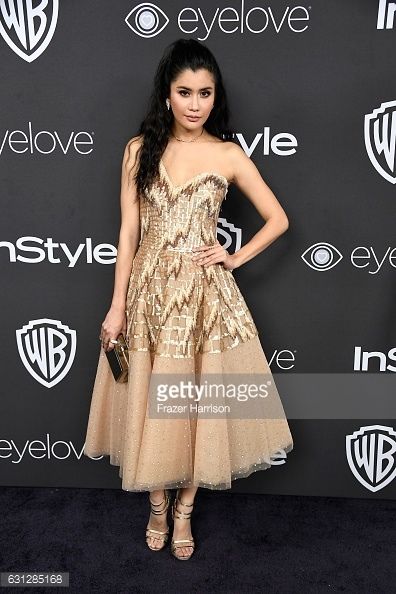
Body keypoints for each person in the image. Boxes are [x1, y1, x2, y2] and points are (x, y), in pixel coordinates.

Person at [83, 38, 293, 561]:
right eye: (184, 92)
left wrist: (233, 257)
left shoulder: (227, 154)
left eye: (204, 93)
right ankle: (157, 504)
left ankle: (184, 511)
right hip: (149, 295)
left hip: (202, 299)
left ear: (214, 96)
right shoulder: (139, 149)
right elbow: (127, 234)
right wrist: (117, 306)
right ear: (167, 94)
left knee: (195, 406)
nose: (195, 103)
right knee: (152, 402)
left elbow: (279, 219)